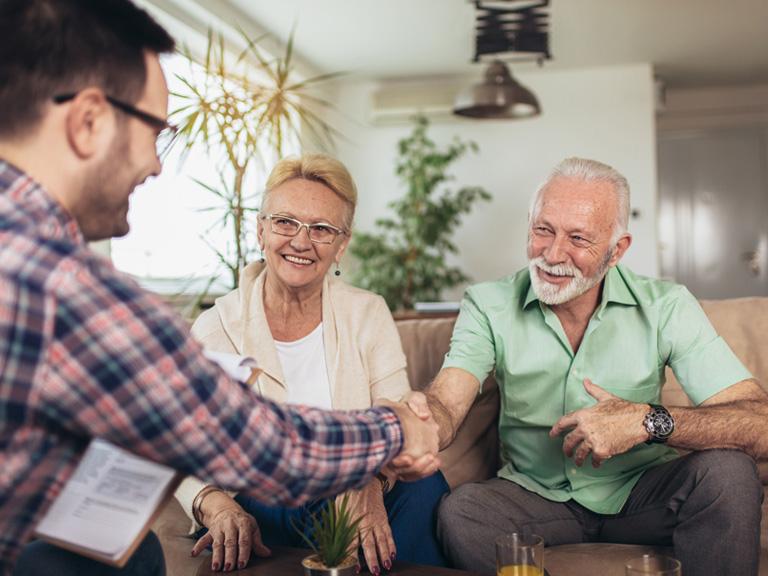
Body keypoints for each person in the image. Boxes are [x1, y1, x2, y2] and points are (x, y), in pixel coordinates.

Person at [0, 2, 439, 575]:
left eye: (322, 229)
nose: (157, 165)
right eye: (155, 131)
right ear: (87, 122)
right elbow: (263, 444)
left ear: (342, 241)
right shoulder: (58, 284)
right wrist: (396, 429)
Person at [401, 157, 768, 576]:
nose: (553, 254)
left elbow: (759, 422)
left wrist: (647, 421)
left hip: (641, 494)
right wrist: (423, 424)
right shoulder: (488, 304)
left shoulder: (667, 305)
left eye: (578, 238)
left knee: (730, 473)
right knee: (462, 512)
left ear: (617, 250)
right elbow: (450, 398)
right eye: (543, 230)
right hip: (534, 498)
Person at [175, 154, 450, 573]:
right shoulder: (216, 328)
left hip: (347, 492)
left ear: (341, 245)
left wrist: (371, 483)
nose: (301, 242)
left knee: (424, 485)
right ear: (261, 229)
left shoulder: (368, 314)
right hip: (263, 505)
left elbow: (398, 423)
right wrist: (214, 505)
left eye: (321, 229)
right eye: (286, 222)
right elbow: (179, 445)